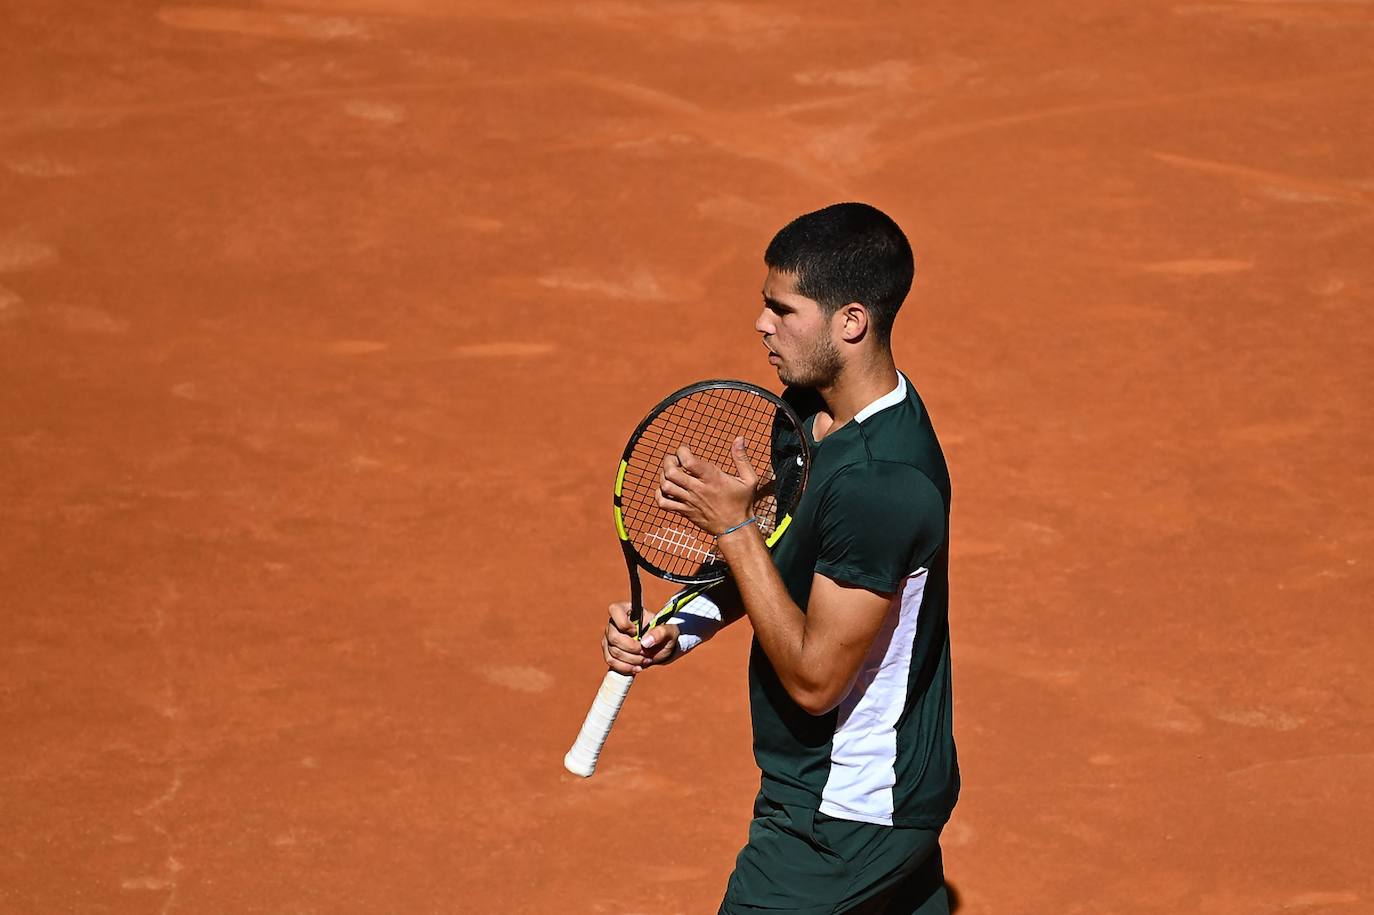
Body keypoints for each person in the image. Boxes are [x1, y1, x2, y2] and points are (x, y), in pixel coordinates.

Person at [602, 202, 958, 914]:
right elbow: (779, 554)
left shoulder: (882, 483)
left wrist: (731, 528)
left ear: (850, 321)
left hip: (844, 814)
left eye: (782, 308)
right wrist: (684, 623)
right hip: (869, 793)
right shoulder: (805, 410)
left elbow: (816, 678)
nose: (762, 323)